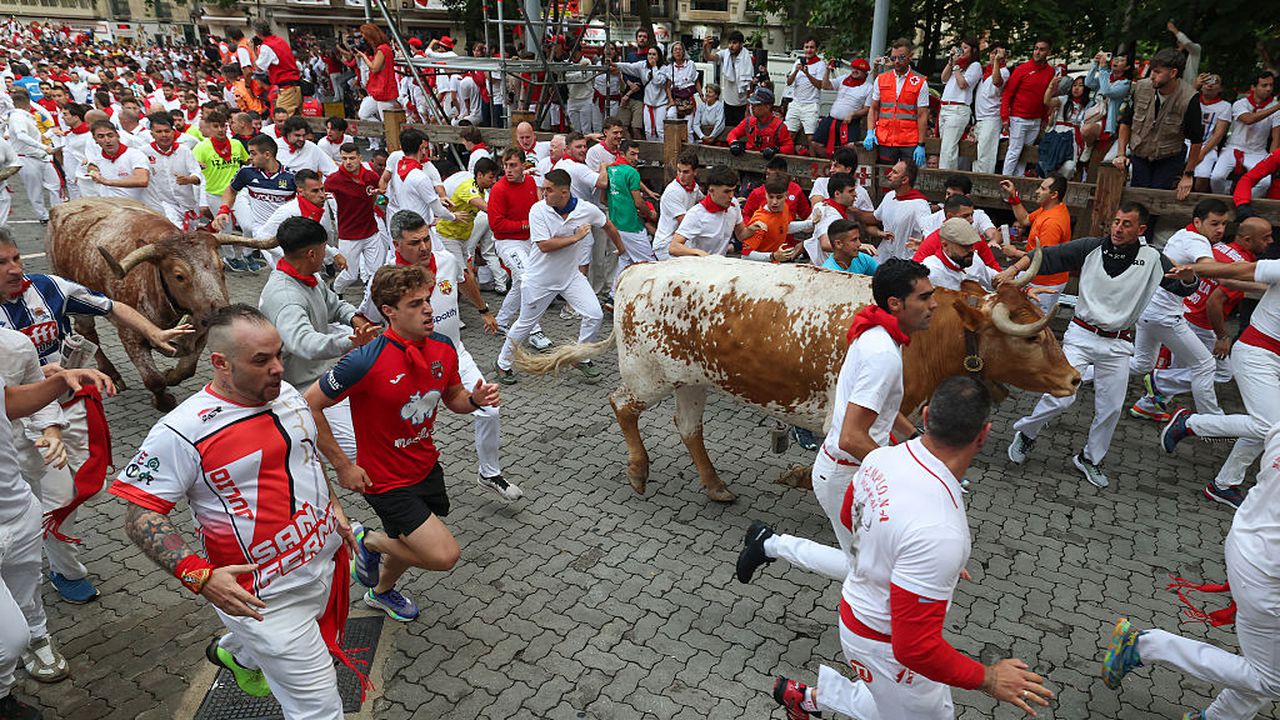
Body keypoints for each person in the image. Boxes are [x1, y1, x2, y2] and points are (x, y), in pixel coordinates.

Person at [110, 304, 353, 718]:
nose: (278, 367)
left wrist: (334, 506)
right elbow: (140, 516)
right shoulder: (182, 431)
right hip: (263, 599)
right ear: (220, 363)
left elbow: (306, 458)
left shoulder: (288, 394)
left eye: (279, 354)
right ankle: (251, 644)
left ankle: (237, 653)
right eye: (261, 360)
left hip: (323, 566)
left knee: (278, 648)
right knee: (320, 707)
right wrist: (200, 578)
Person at [771, 377, 1054, 720]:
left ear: (926, 414)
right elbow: (915, 649)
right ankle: (807, 699)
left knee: (890, 705)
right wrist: (990, 677)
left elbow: (850, 515)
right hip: (886, 647)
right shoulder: (942, 531)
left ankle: (805, 699)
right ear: (984, 434)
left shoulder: (880, 460)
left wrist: (914, 561)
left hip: (859, 622)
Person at [1, 232, 191, 604]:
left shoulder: (47, 287)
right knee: (54, 496)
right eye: (2, 263)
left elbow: (111, 306)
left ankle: (41, 543)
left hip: (74, 403)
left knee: (82, 486)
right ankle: (62, 570)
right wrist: (49, 411)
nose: (15, 269)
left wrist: (154, 331)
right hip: (21, 418)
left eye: (17, 258)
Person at [305, 265, 501, 622]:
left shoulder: (443, 347)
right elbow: (310, 404)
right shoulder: (364, 360)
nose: (428, 308)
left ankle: (380, 592)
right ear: (389, 311)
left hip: (424, 466)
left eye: (427, 300)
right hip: (384, 480)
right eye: (415, 304)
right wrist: (343, 465)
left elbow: (453, 396)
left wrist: (474, 401)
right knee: (443, 555)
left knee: (408, 543)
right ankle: (368, 542)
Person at [738, 258, 934, 587]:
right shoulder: (882, 353)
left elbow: (882, 404)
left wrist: (915, 436)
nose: (934, 305)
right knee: (869, 573)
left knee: (874, 567)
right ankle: (769, 544)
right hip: (847, 475)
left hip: (853, 470)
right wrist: (904, 468)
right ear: (895, 304)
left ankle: (768, 544)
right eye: (925, 297)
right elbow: (851, 437)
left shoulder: (880, 334)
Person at [1000, 202, 1198, 489]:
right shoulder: (1090, 247)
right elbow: (1046, 256)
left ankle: (1090, 458)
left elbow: (1183, 285)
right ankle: (1027, 433)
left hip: (1118, 343)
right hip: (1081, 336)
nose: (1118, 228)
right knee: (1061, 396)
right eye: (1116, 222)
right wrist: (1013, 271)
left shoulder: (1154, 258)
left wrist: (1189, 278)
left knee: (1111, 408)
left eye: (1126, 224)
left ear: (1141, 229)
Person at [1103, 423, 1280, 719]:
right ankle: (1146, 646)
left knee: (1266, 663)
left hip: (1250, 543)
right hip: (1265, 573)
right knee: (1270, 678)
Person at [356, 210, 519, 500]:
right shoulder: (384, 278)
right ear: (396, 245)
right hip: (407, 362)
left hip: (453, 352)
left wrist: (483, 310)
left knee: (490, 408)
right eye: (414, 242)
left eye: (426, 239)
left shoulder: (445, 260)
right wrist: (367, 347)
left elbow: (464, 279)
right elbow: (364, 317)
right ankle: (401, 485)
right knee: (407, 424)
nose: (424, 247)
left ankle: (489, 473)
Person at [2, 363, 115, 720]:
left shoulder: (11, 345)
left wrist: (57, 384)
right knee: (9, 640)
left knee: (27, 595)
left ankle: (6, 695)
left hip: (16, 509)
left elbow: (9, 400)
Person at [1162, 228, 1280, 509]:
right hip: (1257, 353)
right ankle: (1189, 423)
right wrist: (1196, 268)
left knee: (1268, 423)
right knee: (1270, 425)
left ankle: (1224, 484)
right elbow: (1245, 270)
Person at [258, 216, 377, 459]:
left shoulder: (311, 278)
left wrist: (355, 319)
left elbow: (334, 305)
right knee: (354, 447)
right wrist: (351, 342)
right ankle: (298, 447)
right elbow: (305, 344)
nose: (327, 255)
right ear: (311, 254)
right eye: (324, 250)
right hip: (301, 382)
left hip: (320, 371)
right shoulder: (286, 297)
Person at [492, 169, 622, 384]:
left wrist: (622, 249)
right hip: (539, 280)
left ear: (564, 192)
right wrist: (576, 237)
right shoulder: (538, 210)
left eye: (549, 189)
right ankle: (502, 363)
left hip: (570, 277)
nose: (543, 192)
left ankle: (580, 357)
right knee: (525, 324)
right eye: (544, 187)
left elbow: (607, 225)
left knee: (595, 315)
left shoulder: (586, 209)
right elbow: (544, 246)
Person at [1127, 198, 1225, 423]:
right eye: (1214, 223)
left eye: (1223, 224)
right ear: (1198, 222)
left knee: (1142, 363)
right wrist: (1246, 273)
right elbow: (1209, 267)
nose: (1220, 229)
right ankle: (1212, 423)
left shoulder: (1182, 233)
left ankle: (1080, 374)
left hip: (1150, 311)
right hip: (1164, 316)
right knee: (1205, 365)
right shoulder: (1197, 241)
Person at [1112, 48, 1203, 195]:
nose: (1152, 76)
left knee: (1157, 196)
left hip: (1169, 156)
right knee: (1137, 195)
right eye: (1152, 71)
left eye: (1158, 72)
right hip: (1140, 152)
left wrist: (1188, 175)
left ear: (1173, 73)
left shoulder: (1189, 98)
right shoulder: (1141, 87)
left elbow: (1196, 140)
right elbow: (1126, 122)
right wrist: (1121, 153)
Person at [488, 147, 552, 351]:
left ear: (523, 165)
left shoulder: (531, 182)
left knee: (519, 283)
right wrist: (525, 224)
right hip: (507, 243)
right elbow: (496, 225)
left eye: (513, 165)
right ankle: (534, 331)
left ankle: (501, 322)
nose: (508, 169)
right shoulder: (499, 189)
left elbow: (536, 209)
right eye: (505, 165)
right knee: (528, 279)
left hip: (529, 241)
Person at [213, 132, 294, 273]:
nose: (249, 157)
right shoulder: (246, 173)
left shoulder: (291, 176)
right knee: (286, 266)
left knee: (288, 269)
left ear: (267, 154)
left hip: (286, 231)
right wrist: (224, 210)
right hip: (261, 232)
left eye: (253, 153)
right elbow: (231, 190)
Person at [999, 175, 1072, 314]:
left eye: (1042, 189)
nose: (1037, 191)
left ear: (1054, 195)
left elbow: (1044, 258)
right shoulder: (1048, 208)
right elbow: (1025, 220)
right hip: (1034, 275)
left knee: (1033, 322)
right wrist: (1013, 196)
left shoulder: (1052, 222)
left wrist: (1014, 253)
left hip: (1045, 283)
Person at [325, 142, 386, 294]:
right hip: (349, 235)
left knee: (376, 273)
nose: (348, 162)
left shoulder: (371, 176)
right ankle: (335, 290)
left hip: (371, 232)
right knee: (350, 275)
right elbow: (320, 196)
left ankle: (372, 302)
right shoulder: (333, 180)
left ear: (360, 158)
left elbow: (375, 195)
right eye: (344, 158)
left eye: (352, 158)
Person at [1209, 71, 1279, 196]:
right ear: (1253, 87)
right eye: (1264, 85)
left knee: (1264, 183)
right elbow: (1248, 119)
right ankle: (1226, 197)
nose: (1269, 89)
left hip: (1258, 152)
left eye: (1271, 85)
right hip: (1233, 148)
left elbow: (1276, 139)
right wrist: (1276, 107)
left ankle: (1242, 201)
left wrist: (1271, 161)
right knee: (1216, 177)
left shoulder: (1275, 108)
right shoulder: (1240, 103)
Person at [863, 38, 929, 166]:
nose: (897, 62)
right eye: (893, 58)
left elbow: (922, 115)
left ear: (910, 57)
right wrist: (870, 132)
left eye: (901, 57)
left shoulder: (920, 82)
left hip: (909, 141)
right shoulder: (881, 79)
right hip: (885, 139)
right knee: (885, 177)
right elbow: (874, 108)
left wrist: (921, 144)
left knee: (908, 178)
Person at [600, 139, 657, 284]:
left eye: (637, 155)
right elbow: (638, 202)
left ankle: (613, 296)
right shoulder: (632, 172)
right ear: (622, 153)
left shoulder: (609, 170)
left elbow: (603, 199)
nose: (636, 158)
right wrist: (649, 214)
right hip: (631, 225)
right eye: (632, 154)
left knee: (625, 261)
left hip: (615, 223)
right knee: (649, 264)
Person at [669, 165, 752, 257]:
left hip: (719, 264)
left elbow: (740, 235)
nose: (731, 196)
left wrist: (752, 229)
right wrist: (697, 252)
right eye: (726, 192)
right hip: (699, 265)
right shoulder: (697, 214)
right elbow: (674, 247)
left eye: (733, 191)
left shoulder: (733, 204)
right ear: (711, 190)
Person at [1000, 39, 1054, 177]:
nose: (1037, 52)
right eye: (1036, 48)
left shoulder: (1050, 72)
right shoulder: (1022, 69)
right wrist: (1005, 116)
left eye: (1042, 49)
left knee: (1025, 154)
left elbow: (1046, 98)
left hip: (1035, 120)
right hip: (1018, 118)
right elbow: (1008, 93)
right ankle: (1005, 182)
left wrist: (1044, 118)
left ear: (1048, 52)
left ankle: (1017, 183)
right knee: (1014, 151)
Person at [8, 88, 61, 224]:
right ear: (27, 104)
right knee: (35, 190)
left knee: (54, 184)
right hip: (26, 157)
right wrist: (44, 147)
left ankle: (57, 212)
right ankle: (43, 216)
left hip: (40, 156)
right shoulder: (17, 117)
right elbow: (21, 135)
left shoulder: (25, 116)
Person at [142, 112, 202, 229]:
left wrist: (189, 179)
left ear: (173, 132)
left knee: (192, 238)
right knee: (176, 231)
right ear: (152, 134)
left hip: (188, 205)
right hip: (164, 205)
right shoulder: (143, 152)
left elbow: (197, 174)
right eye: (159, 132)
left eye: (167, 131)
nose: (164, 135)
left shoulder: (184, 151)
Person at [739, 175, 809, 263]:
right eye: (771, 197)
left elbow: (784, 227)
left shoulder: (784, 208)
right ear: (765, 194)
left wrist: (810, 223)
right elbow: (745, 255)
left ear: (786, 195)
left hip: (775, 265)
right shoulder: (760, 220)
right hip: (758, 267)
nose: (775, 202)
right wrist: (772, 256)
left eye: (779, 197)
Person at [810, 59, 871, 159]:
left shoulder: (868, 87)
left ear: (865, 73)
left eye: (859, 69)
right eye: (854, 68)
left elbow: (867, 109)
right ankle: (834, 163)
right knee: (815, 143)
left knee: (850, 147)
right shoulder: (844, 78)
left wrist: (853, 114)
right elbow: (825, 86)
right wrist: (827, 70)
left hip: (850, 121)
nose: (855, 71)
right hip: (832, 118)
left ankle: (844, 164)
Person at [937, 37, 982, 171]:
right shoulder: (958, 65)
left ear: (973, 50)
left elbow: (963, 84)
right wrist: (951, 62)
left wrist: (956, 67)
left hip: (958, 108)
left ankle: (945, 177)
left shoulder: (975, 66)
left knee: (948, 148)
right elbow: (943, 78)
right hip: (945, 107)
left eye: (965, 48)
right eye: (960, 47)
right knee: (945, 146)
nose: (962, 51)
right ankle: (948, 175)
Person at [872, 159, 931, 260]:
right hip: (883, 257)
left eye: (894, 172)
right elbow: (874, 217)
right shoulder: (889, 196)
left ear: (904, 180)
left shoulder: (920, 205)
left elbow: (928, 233)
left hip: (905, 262)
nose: (888, 175)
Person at [652, 148, 703, 260]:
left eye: (685, 172)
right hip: (665, 245)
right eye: (679, 171)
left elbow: (704, 202)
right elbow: (684, 222)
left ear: (695, 172)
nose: (681, 175)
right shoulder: (673, 191)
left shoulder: (694, 187)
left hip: (679, 242)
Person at [921, 217, 997, 291]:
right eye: (965, 246)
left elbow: (995, 279)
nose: (971, 249)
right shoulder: (931, 272)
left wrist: (1007, 275)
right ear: (945, 245)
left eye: (972, 244)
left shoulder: (973, 258)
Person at [1189, 74, 1234, 195]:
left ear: (1220, 88)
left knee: (1202, 179)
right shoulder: (1192, 98)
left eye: (1215, 82)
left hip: (1207, 146)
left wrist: (1201, 153)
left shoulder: (1225, 106)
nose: (1210, 84)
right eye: (1206, 81)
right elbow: (1182, 100)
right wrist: (1194, 86)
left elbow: (1218, 134)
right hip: (1186, 143)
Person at [84, 120, 149, 202]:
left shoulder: (135, 154)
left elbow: (142, 180)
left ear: (117, 135)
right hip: (112, 209)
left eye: (110, 135)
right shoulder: (97, 159)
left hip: (137, 208)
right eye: (101, 137)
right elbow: (92, 168)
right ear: (95, 139)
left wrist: (107, 182)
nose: (107, 140)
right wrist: (93, 172)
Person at [702, 31, 754, 129]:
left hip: (742, 104)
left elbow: (749, 84)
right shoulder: (725, 54)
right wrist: (705, 47)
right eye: (730, 43)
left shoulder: (747, 58)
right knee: (728, 131)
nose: (731, 46)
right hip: (728, 102)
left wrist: (748, 108)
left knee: (741, 132)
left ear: (741, 44)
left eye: (734, 43)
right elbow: (709, 57)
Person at [726, 87, 795, 157]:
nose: (752, 107)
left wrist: (776, 150)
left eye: (757, 105)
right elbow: (732, 134)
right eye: (752, 104)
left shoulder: (779, 126)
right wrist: (734, 143)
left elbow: (789, 148)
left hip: (768, 163)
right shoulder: (748, 122)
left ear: (768, 106)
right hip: (748, 160)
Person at [973, 45, 1010, 174]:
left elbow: (996, 81)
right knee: (976, 156)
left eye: (998, 53)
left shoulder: (1004, 71)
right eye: (993, 53)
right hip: (980, 118)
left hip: (991, 118)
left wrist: (996, 62)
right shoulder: (985, 72)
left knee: (986, 156)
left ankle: (983, 185)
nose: (995, 56)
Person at [254, 20, 303, 115]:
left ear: (257, 33)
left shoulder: (267, 46)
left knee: (281, 119)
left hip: (286, 87)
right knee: (294, 121)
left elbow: (259, 67)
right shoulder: (280, 41)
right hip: (295, 85)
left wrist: (254, 51)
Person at [784, 38, 827, 144]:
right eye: (806, 47)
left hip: (811, 105)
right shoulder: (798, 61)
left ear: (816, 49)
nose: (809, 50)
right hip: (796, 103)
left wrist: (807, 73)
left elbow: (820, 85)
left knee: (810, 138)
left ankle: (812, 160)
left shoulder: (820, 64)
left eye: (811, 47)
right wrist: (796, 71)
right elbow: (789, 82)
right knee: (789, 134)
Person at [355, 24, 398, 122]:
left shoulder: (383, 49)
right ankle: (379, 135)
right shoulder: (379, 49)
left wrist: (364, 57)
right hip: (377, 91)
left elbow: (375, 68)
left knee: (387, 121)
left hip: (384, 90)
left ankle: (386, 135)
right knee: (363, 114)